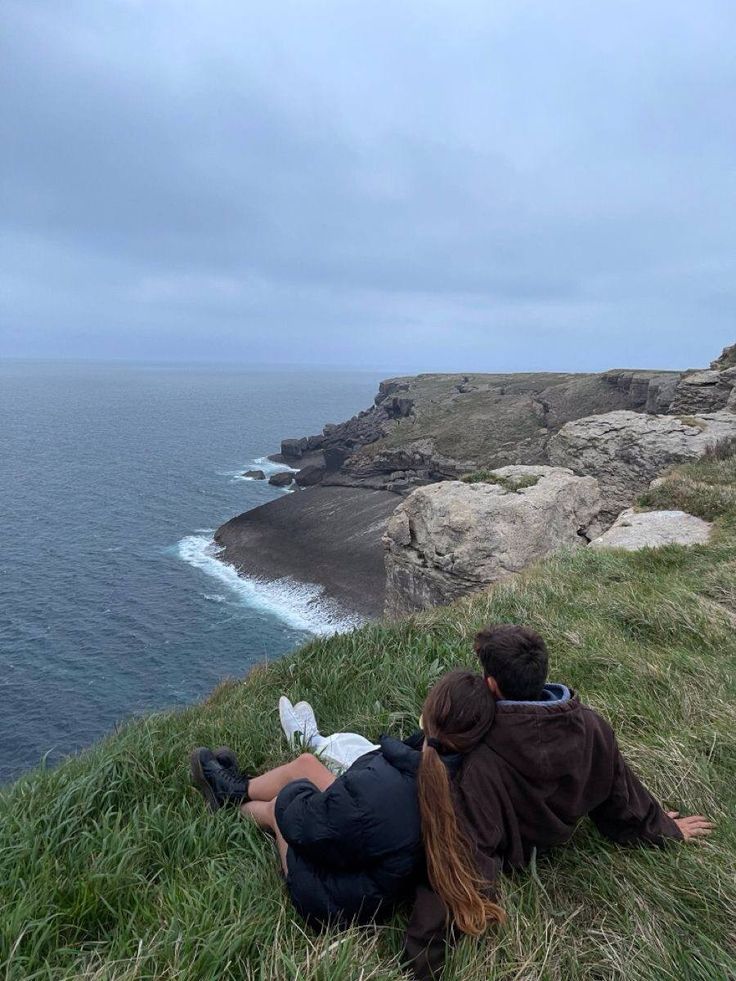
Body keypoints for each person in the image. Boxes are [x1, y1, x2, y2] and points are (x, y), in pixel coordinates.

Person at [402, 624, 715, 979]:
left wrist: (424, 956)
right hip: (561, 830)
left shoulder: (482, 759)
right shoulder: (591, 725)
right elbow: (619, 793)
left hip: (516, 852)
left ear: (491, 686)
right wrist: (660, 827)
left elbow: (465, 856)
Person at [190, 670, 506, 935]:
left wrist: (298, 793)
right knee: (305, 765)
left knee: (278, 808)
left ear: (429, 713)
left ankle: (229, 804)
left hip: (335, 898)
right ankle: (237, 788)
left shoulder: (385, 789)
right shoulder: (461, 769)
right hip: (375, 858)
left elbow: (303, 824)